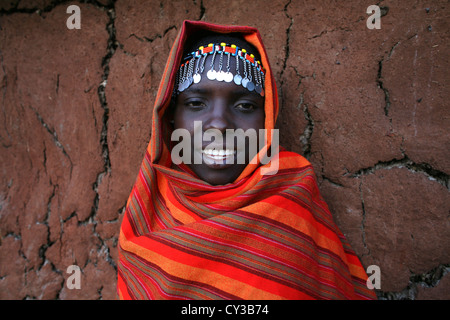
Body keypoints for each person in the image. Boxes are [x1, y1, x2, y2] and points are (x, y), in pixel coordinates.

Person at [117, 20, 377, 300]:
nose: (218, 124)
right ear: (170, 117)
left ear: (266, 118)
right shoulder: (148, 211)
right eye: (195, 104)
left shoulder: (292, 196)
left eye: (245, 106)